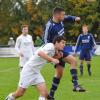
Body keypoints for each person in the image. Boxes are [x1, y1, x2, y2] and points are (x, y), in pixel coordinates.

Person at [43, 7, 86, 100]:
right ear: (57, 15)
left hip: (61, 49)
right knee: (74, 61)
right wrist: (54, 53)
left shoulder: (61, 19)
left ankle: (51, 95)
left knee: (59, 74)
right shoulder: (49, 25)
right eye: (62, 14)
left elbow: (69, 17)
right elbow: (45, 41)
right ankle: (76, 85)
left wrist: (75, 18)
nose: (64, 16)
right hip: (54, 51)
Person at [5, 36, 66, 100]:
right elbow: (40, 53)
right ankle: (8, 98)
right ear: (56, 42)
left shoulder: (54, 50)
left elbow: (46, 60)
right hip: (28, 70)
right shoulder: (50, 46)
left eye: (64, 43)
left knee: (44, 94)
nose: (64, 45)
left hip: (36, 72)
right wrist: (52, 59)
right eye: (62, 43)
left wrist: (56, 57)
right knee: (20, 93)